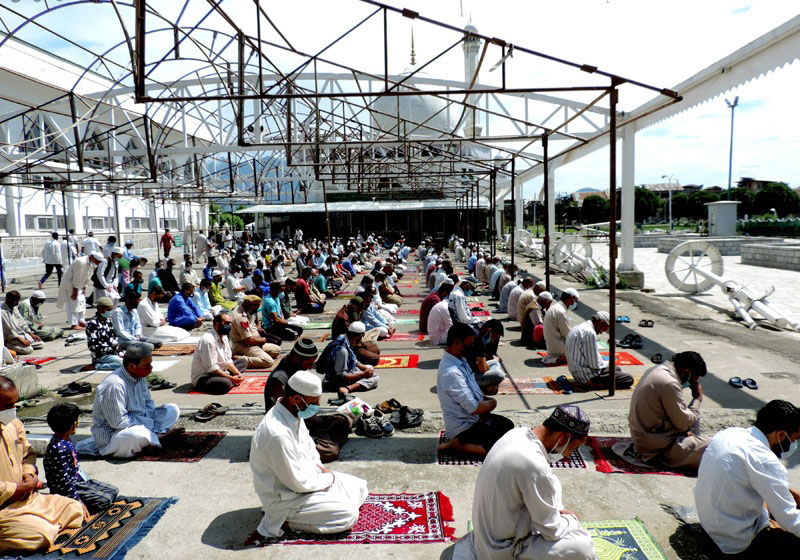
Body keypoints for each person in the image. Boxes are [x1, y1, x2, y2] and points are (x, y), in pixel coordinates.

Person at [453, 405, 595, 560]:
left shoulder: (517, 433)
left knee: (551, 482)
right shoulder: (533, 464)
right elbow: (552, 531)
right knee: (583, 547)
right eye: (573, 449)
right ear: (564, 439)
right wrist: (572, 520)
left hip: (484, 537)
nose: (568, 455)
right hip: (503, 549)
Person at [249, 370, 368, 541]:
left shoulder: (291, 413)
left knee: (360, 486)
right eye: (313, 403)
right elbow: (298, 483)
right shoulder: (277, 434)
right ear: (297, 399)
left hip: (309, 481)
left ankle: (326, 503)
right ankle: (283, 522)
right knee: (348, 516)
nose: (317, 407)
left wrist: (322, 472)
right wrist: (328, 479)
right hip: (287, 498)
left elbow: (310, 449)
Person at [694, 399, 800, 556]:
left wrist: (786, 493)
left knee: (781, 497)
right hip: (733, 542)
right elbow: (791, 521)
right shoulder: (766, 461)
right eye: (795, 439)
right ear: (781, 435)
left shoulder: (729, 433)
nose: (794, 444)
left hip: (709, 523)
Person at [0, 376, 84, 552]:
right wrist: (15, 489)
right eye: (8, 405)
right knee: (37, 536)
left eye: (14, 403)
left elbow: (28, 454)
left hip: (26, 498)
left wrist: (29, 474)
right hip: (4, 506)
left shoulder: (13, 424)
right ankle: (41, 526)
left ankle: (40, 523)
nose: (13, 410)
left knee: (74, 508)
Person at [264, 339, 353, 463]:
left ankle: (327, 436)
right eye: (308, 363)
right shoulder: (279, 379)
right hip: (291, 425)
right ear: (296, 359)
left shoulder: (295, 369)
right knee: (329, 451)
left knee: (345, 420)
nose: (311, 367)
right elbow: (289, 415)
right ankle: (323, 438)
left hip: (304, 418)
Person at [90, 343, 183, 458]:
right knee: (133, 435)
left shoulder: (139, 376)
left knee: (172, 409)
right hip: (114, 435)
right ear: (131, 366)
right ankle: (157, 438)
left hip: (142, 423)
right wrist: (147, 424)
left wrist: (149, 422)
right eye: (146, 365)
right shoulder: (114, 385)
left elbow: (148, 403)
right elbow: (118, 422)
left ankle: (151, 439)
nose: (150, 368)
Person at [436, 323, 513, 457]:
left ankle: (467, 442)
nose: (472, 347)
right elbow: (474, 408)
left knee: (507, 427)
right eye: (470, 344)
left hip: (476, 420)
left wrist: (485, 396)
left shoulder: (460, 360)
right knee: (499, 450)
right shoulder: (452, 373)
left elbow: (474, 389)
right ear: (458, 343)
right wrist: (492, 403)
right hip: (464, 427)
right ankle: (458, 445)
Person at [628, 351, 710, 472]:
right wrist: (697, 399)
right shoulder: (669, 382)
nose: (694, 384)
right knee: (714, 446)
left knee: (692, 417)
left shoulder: (657, 370)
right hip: (657, 449)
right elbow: (682, 424)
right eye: (694, 381)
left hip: (647, 438)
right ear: (686, 372)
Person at [43, 403, 119, 514]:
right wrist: (78, 501)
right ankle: (69, 506)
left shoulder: (65, 440)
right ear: (73, 425)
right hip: (66, 489)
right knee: (104, 500)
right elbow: (65, 482)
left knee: (113, 491)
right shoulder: (59, 449)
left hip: (78, 481)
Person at [564, 311, 633, 390]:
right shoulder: (589, 333)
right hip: (587, 376)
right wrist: (605, 363)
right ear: (601, 323)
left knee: (616, 369)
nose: (601, 332)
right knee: (629, 379)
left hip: (578, 372)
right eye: (604, 329)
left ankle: (597, 382)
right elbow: (594, 365)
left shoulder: (578, 327)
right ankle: (594, 384)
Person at [317, 322, 380, 401]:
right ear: (358, 336)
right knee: (375, 377)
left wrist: (363, 367)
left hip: (342, 372)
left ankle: (358, 382)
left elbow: (353, 359)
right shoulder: (342, 351)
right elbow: (342, 376)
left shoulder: (344, 338)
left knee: (370, 369)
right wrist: (362, 374)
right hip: (336, 381)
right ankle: (347, 389)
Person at [190, 312, 247, 395]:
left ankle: (229, 377)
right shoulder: (208, 341)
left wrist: (237, 373)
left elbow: (228, 361)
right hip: (206, 376)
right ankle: (228, 380)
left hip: (221, 369)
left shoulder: (224, 337)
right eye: (227, 323)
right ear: (217, 325)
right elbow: (213, 369)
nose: (229, 326)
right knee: (226, 383)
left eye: (230, 324)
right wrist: (232, 378)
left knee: (243, 361)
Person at [230, 295, 282, 369]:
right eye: (256, 306)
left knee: (276, 350)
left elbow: (252, 325)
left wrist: (258, 329)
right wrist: (263, 340)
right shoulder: (240, 317)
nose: (257, 309)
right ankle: (238, 358)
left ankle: (254, 357)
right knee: (268, 362)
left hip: (254, 343)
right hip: (244, 345)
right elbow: (248, 340)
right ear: (247, 304)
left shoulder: (248, 310)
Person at [57, 251, 103, 330]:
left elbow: (88, 275)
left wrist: (84, 287)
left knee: (82, 302)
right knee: (73, 304)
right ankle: (74, 324)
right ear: (93, 257)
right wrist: (75, 291)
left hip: (80, 285)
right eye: (98, 261)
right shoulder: (80, 262)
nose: (98, 263)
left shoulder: (92, 263)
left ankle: (81, 321)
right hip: (71, 284)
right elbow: (77, 277)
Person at [465, 320, 506, 394]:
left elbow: (488, 355)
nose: (493, 341)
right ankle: (486, 385)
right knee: (500, 375)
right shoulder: (479, 339)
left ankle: (489, 384)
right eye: (493, 337)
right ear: (489, 330)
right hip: (468, 375)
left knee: (495, 363)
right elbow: (482, 369)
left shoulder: (479, 331)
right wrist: (489, 369)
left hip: (472, 366)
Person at [542, 288, 578, 365]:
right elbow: (568, 334)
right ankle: (559, 358)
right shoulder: (560, 311)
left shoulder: (555, 306)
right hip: (557, 347)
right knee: (582, 352)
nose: (573, 303)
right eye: (574, 301)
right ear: (570, 298)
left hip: (551, 344)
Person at [86, 297, 123, 371]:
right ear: (100, 309)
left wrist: (118, 347)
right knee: (125, 364)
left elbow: (114, 337)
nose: (110, 312)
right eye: (108, 310)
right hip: (101, 355)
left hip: (114, 352)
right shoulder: (93, 324)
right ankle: (97, 366)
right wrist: (112, 347)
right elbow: (94, 346)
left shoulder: (108, 321)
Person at [1, 291, 43, 355]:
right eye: (15, 301)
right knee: (29, 350)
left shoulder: (14, 308)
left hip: (22, 334)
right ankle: (8, 346)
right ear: (8, 300)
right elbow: (9, 331)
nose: (17, 303)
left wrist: (31, 334)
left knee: (40, 343)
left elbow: (23, 323)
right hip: (12, 338)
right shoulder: (2, 312)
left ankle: (25, 345)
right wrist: (20, 339)